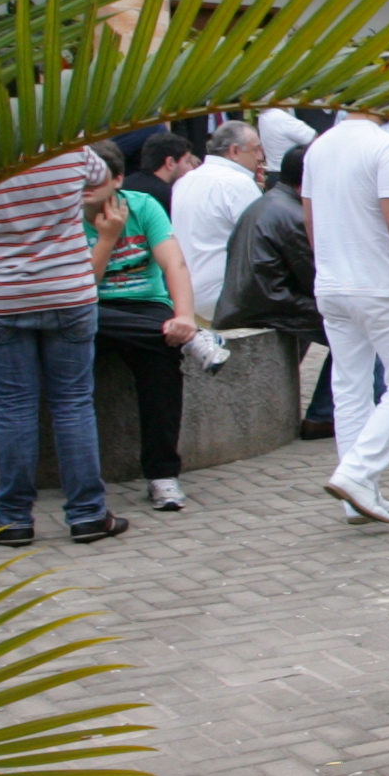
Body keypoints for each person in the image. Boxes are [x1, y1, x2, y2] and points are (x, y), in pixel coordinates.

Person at [0, 133, 120, 549]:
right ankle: (89, 515)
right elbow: (102, 185)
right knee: (74, 403)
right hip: (69, 293)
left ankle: (13, 520)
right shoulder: (68, 147)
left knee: (14, 410)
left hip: (0, 300)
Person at [304, 105, 389, 524]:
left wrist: (327, 264)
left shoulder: (318, 147)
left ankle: (359, 495)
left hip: (332, 284)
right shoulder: (387, 146)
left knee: (350, 386)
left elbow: (310, 218)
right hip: (377, 284)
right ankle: (357, 475)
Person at [87, 139, 216, 513]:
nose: (85, 189)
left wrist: (184, 318)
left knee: (163, 356)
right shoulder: (64, 216)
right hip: (91, 306)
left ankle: (162, 474)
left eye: (96, 180)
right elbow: (82, 288)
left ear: (118, 180)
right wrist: (108, 239)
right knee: (81, 317)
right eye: (79, 180)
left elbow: (174, 264)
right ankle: (197, 341)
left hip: (144, 305)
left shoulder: (143, 206)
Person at [220, 143, 334, 431]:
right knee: (357, 328)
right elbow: (315, 278)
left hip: (256, 298)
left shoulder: (270, 201)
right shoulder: (294, 215)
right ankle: (324, 415)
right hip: (268, 304)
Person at [169, 121, 265, 326]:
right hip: (224, 294)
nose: (260, 157)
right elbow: (262, 240)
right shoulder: (237, 182)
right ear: (234, 151)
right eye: (256, 150)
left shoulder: (186, 179)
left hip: (188, 293)